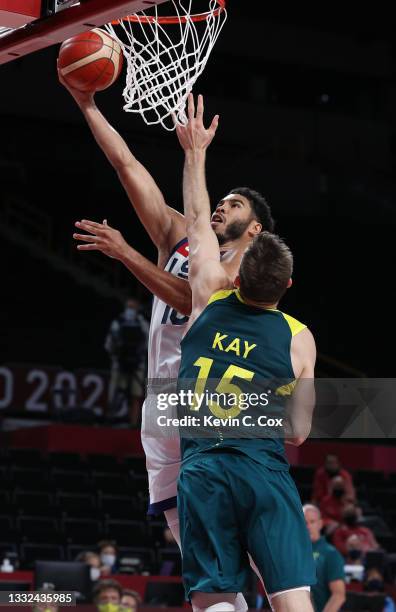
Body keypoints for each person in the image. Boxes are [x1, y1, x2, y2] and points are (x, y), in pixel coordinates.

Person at [63, 72, 274, 612]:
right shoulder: (180, 236)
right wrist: (86, 103)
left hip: (211, 402)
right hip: (161, 403)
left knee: (258, 552)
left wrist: (127, 254)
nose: (223, 206)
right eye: (220, 201)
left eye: (236, 205)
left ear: (256, 230)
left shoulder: (248, 272)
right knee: (203, 561)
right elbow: (128, 166)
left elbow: (189, 301)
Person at [174, 94, 317, 612]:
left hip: (203, 468)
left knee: (214, 597)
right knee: (291, 598)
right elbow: (298, 431)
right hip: (261, 468)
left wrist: (195, 153)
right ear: (288, 285)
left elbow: (194, 218)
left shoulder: (208, 292)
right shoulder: (299, 337)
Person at [105, 297, 149, 425]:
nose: (131, 310)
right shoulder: (117, 322)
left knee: (136, 394)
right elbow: (109, 344)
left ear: (137, 309)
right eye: (129, 307)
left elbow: (148, 344)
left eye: (133, 308)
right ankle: (109, 421)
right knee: (115, 393)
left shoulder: (142, 323)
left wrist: (138, 354)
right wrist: (117, 355)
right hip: (119, 363)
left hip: (138, 364)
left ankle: (133, 424)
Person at [303, 504, 346, 612]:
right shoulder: (293, 551)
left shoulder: (330, 553)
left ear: (320, 524)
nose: (308, 526)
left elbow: (339, 595)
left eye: (312, 522)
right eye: (304, 523)